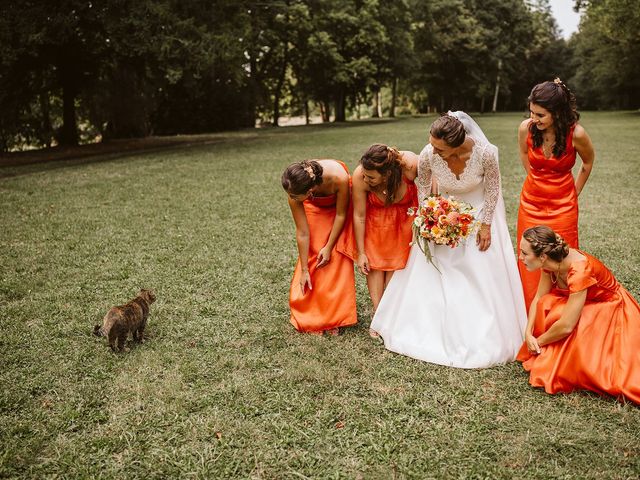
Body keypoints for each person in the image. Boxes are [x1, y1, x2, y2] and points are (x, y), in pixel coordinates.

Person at [370, 112, 527, 368]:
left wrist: (486, 224)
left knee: (478, 267)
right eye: (431, 144)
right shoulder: (430, 154)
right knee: (436, 268)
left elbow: (492, 189)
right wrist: (428, 215)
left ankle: (478, 329)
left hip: (477, 213)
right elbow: (422, 185)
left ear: (456, 144)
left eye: (439, 147)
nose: (432, 150)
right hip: (443, 209)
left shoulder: (487, 153)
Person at [517, 226, 640, 404]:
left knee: (564, 317)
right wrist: (528, 334)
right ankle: (551, 355)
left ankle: (571, 363)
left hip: (607, 306)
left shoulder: (580, 271)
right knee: (546, 303)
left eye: (524, 253)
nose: (520, 258)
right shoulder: (549, 262)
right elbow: (539, 297)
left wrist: (538, 342)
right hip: (579, 301)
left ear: (542, 257)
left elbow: (567, 325)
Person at [517, 78, 595, 310]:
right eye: (532, 112)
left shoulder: (577, 133)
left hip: (563, 206)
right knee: (529, 257)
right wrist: (536, 178)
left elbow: (588, 163)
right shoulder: (526, 128)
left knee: (561, 259)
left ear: (558, 113)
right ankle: (530, 310)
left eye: (540, 115)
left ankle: (561, 311)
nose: (534, 119)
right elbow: (523, 152)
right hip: (531, 203)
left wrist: (575, 191)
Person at [281, 159, 357, 335]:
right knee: (315, 252)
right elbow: (302, 233)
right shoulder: (295, 189)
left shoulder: (339, 178)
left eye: (293, 196)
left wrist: (329, 247)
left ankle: (333, 317)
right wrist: (305, 269)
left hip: (337, 211)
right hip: (314, 208)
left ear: (310, 191)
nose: (290, 199)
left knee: (335, 257)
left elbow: (341, 214)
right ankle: (311, 315)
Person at [348, 144, 418, 329]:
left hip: (406, 222)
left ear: (386, 174)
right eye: (364, 173)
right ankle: (378, 317)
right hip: (375, 223)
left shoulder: (409, 168)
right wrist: (361, 252)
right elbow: (359, 215)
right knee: (374, 264)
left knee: (397, 269)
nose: (365, 178)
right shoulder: (360, 176)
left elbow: (435, 176)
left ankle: (393, 311)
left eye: (371, 177)